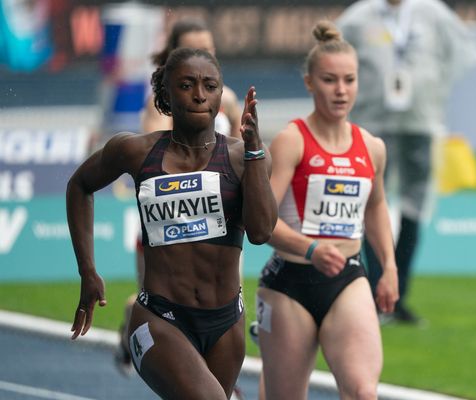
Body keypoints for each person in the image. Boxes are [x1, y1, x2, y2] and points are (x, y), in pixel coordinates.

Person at [67, 47, 277, 399]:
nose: (199, 95)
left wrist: (255, 149)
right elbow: (80, 185)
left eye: (210, 86)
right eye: (186, 85)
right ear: (165, 95)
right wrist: (87, 271)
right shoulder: (134, 151)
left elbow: (260, 232)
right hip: (158, 319)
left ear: (221, 94)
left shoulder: (245, 157)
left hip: (226, 325)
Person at [255, 20, 399, 399]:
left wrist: (389, 267)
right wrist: (311, 249)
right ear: (309, 83)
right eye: (329, 80)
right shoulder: (291, 141)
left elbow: (377, 206)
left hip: (347, 280)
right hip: (290, 283)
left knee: (363, 393)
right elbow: (261, 222)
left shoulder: (372, 147)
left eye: (349, 80)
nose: (341, 91)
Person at [337, 0, 476, 323]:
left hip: (421, 121)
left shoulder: (433, 13)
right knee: (371, 204)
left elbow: (463, 53)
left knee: (416, 203)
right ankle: (375, 291)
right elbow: (329, 56)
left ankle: (398, 294)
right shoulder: (360, 17)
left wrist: (434, 88)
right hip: (372, 122)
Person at [114, 17, 244, 376]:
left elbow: (237, 146)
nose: (201, 55)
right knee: (165, 300)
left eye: (208, 50)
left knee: (222, 288)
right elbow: (154, 154)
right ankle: (138, 324)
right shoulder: (160, 105)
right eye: (192, 48)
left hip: (217, 219)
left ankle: (213, 374)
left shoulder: (227, 99)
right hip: (169, 219)